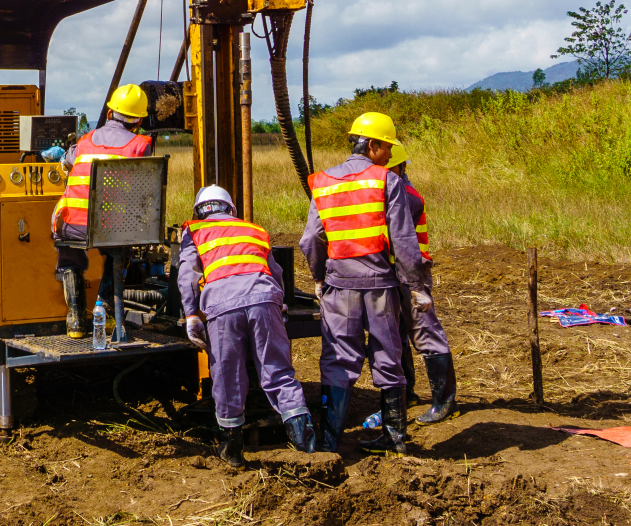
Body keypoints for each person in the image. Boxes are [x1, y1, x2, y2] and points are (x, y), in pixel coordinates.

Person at [297, 111, 429, 454]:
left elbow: (311, 239)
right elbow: (403, 239)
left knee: (338, 359)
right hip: (381, 286)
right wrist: (417, 285)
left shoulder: (323, 181)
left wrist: (318, 277)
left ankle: (329, 439)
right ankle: (395, 437)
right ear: (371, 145)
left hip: (339, 285)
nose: (390, 155)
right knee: (388, 356)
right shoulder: (387, 181)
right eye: (387, 147)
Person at [178, 184, 315, 466]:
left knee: (227, 374)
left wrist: (191, 314)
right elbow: (274, 271)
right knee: (278, 370)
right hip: (265, 299)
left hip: (222, 304)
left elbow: (187, 274)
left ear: (200, 211)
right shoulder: (254, 229)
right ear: (231, 209)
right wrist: (280, 304)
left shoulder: (194, 230)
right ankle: (305, 445)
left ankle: (232, 450)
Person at [48, 84, 154, 336]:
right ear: (138, 121)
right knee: (121, 247)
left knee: (68, 251)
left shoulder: (84, 142)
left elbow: (66, 161)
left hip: (72, 224)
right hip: (113, 229)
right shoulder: (141, 146)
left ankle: (75, 319)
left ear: (109, 114)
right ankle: (104, 307)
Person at [388, 142, 458, 424]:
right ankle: (410, 393)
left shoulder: (406, 196)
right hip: (393, 270)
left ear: (401, 167)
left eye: (388, 168)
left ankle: (444, 401)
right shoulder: (392, 190)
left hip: (410, 272)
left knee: (424, 332)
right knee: (396, 333)